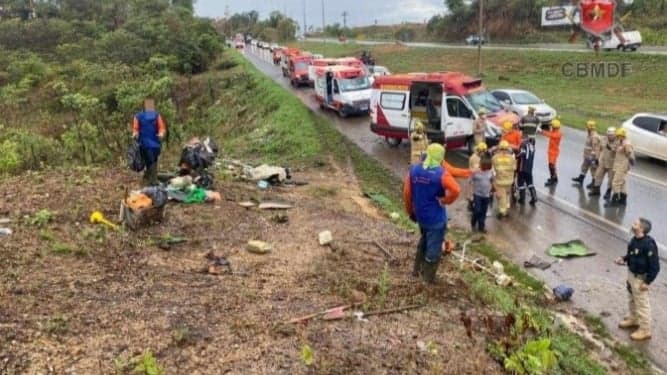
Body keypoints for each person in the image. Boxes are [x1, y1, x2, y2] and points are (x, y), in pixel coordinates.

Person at [404, 144, 461, 283]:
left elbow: (407, 193)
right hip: (436, 219)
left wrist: (411, 212)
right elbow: (456, 190)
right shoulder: (441, 173)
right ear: (441, 157)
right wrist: (445, 200)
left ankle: (416, 271)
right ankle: (427, 280)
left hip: (421, 216)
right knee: (434, 248)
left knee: (424, 240)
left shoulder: (414, 170)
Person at [615, 218, 660, 341]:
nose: (632, 225)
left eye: (635, 224)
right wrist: (623, 259)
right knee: (631, 299)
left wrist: (647, 282)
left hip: (640, 279)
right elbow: (632, 255)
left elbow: (655, 267)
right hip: (631, 275)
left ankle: (645, 330)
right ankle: (633, 318)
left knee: (642, 304)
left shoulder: (649, 245)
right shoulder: (634, 240)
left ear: (641, 229)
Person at [132, 99, 166, 186]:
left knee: (154, 159)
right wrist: (135, 134)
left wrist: (161, 133)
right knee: (149, 160)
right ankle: (152, 180)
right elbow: (135, 128)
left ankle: (149, 178)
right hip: (144, 142)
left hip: (155, 141)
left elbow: (161, 127)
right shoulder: (138, 116)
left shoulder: (156, 115)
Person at [607, 127, 635, 207]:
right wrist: (611, 148)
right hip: (618, 164)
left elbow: (630, 154)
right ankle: (623, 199)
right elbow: (616, 150)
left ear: (622, 136)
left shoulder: (626, 144)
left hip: (622, 165)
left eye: (618, 136)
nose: (617, 137)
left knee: (615, 183)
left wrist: (631, 161)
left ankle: (614, 200)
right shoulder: (620, 142)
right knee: (622, 182)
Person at [588, 127, 617, 200]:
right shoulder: (604, 139)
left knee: (611, 179)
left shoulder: (618, 142)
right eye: (608, 135)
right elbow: (598, 148)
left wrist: (611, 148)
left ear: (614, 135)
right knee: (598, 175)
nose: (610, 136)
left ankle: (608, 192)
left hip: (612, 163)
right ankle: (596, 190)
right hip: (603, 161)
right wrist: (597, 158)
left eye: (611, 135)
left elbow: (618, 153)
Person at [471, 146, 493, 233]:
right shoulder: (476, 171)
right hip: (477, 194)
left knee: (483, 211)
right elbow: (470, 182)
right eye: (485, 167)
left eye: (488, 167)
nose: (486, 169)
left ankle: (481, 227)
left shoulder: (490, 171)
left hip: (486, 195)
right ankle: (474, 219)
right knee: (477, 210)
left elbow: (492, 180)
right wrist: (469, 193)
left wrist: (494, 189)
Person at [572, 120, 601, 188]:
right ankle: (581, 178)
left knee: (593, 169)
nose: (586, 128)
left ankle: (594, 183)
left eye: (587, 127)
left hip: (591, 156)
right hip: (587, 156)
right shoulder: (590, 134)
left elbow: (595, 148)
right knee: (584, 167)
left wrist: (594, 158)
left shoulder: (594, 137)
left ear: (590, 128)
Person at [492, 140, 516, 219]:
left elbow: (492, 170)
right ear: (507, 148)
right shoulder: (511, 158)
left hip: (500, 181)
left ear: (499, 148)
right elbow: (514, 168)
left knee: (501, 197)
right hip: (509, 181)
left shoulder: (495, 158)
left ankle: (502, 212)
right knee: (507, 194)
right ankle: (507, 206)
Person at [538, 119, 562, 187]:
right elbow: (549, 133)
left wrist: (541, 131)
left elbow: (549, 134)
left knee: (551, 165)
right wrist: (541, 130)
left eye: (552, 126)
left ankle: (552, 178)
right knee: (553, 165)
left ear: (554, 127)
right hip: (551, 151)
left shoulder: (557, 134)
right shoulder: (554, 132)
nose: (551, 127)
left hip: (553, 152)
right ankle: (555, 178)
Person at [516, 135, 537, 206]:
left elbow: (522, 153)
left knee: (520, 182)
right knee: (530, 182)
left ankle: (522, 198)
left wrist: (516, 156)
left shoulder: (523, 144)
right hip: (529, 168)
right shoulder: (533, 147)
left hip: (522, 167)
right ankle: (534, 196)